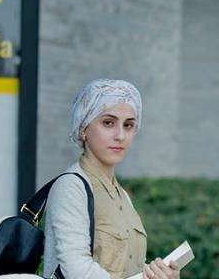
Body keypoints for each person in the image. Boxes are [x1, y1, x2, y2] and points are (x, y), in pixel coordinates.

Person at [43, 79, 179, 279]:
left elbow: (126, 267)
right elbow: (76, 270)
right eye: (108, 123)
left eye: (129, 125)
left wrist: (158, 274)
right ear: (84, 127)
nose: (120, 135)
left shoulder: (121, 194)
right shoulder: (71, 187)